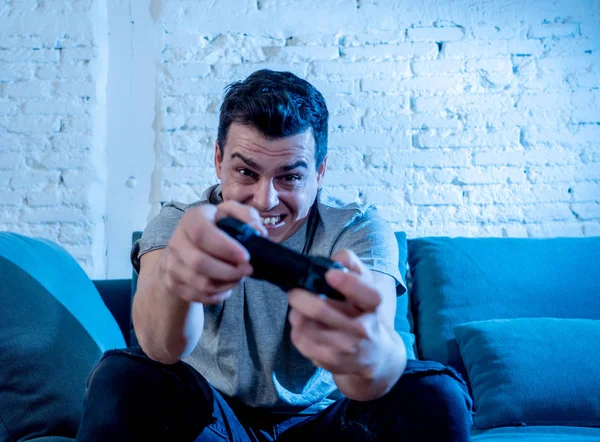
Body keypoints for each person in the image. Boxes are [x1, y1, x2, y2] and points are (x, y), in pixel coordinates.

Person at [76, 69, 472, 441]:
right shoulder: (179, 223)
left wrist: (371, 355)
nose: (265, 200)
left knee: (435, 394)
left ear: (319, 172)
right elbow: (160, 347)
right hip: (211, 420)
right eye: (246, 173)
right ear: (218, 161)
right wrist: (177, 284)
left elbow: (370, 373)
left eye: (290, 176)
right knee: (121, 379)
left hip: (325, 422)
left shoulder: (358, 229)